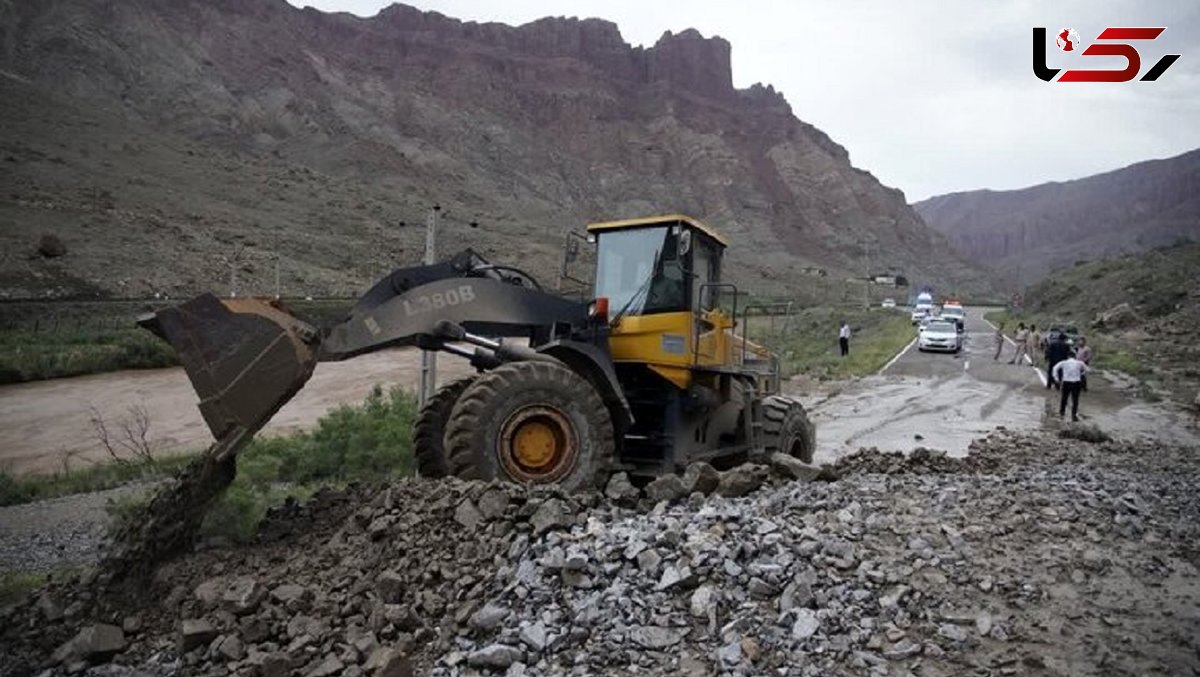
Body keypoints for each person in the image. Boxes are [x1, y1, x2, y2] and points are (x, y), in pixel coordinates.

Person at [1052, 353, 1089, 421]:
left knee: (1064, 398)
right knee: (1075, 399)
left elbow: (1055, 368)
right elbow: (1087, 369)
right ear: (1075, 357)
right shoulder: (1079, 363)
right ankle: (1073, 414)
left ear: (1068, 357)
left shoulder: (1064, 362)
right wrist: (1082, 374)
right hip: (1076, 382)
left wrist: (1056, 378)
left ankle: (1062, 412)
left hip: (1066, 382)